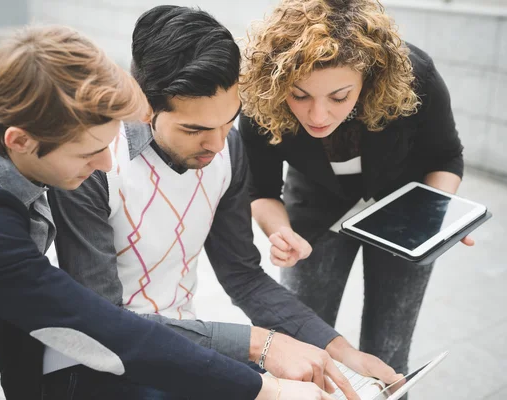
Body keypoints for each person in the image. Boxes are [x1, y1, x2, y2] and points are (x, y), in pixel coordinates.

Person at [0, 25, 330, 400]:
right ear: (20, 141)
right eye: (90, 153)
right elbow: (90, 324)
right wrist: (264, 385)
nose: (107, 166)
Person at [43, 6, 401, 400]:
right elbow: (105, 322)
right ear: (144, 107)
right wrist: (259, 344)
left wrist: (342, 351)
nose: (215, 145)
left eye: (228, 122)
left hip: (185, 348)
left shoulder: (228, 149)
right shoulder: (92, 161)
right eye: (194, 129)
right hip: (91, 364)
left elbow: (243, 276)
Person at [238, 0, 470, 388]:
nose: (317, 116)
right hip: (314, 210)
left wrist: (436, 212)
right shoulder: (261, 98)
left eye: (339, 97)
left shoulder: (415, 76)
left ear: (370, 79)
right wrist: (280, 232)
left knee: (389, 349)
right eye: (299, 96)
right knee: (300, 343)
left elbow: (447, 157)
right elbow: (260, 189)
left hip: (404, 212)